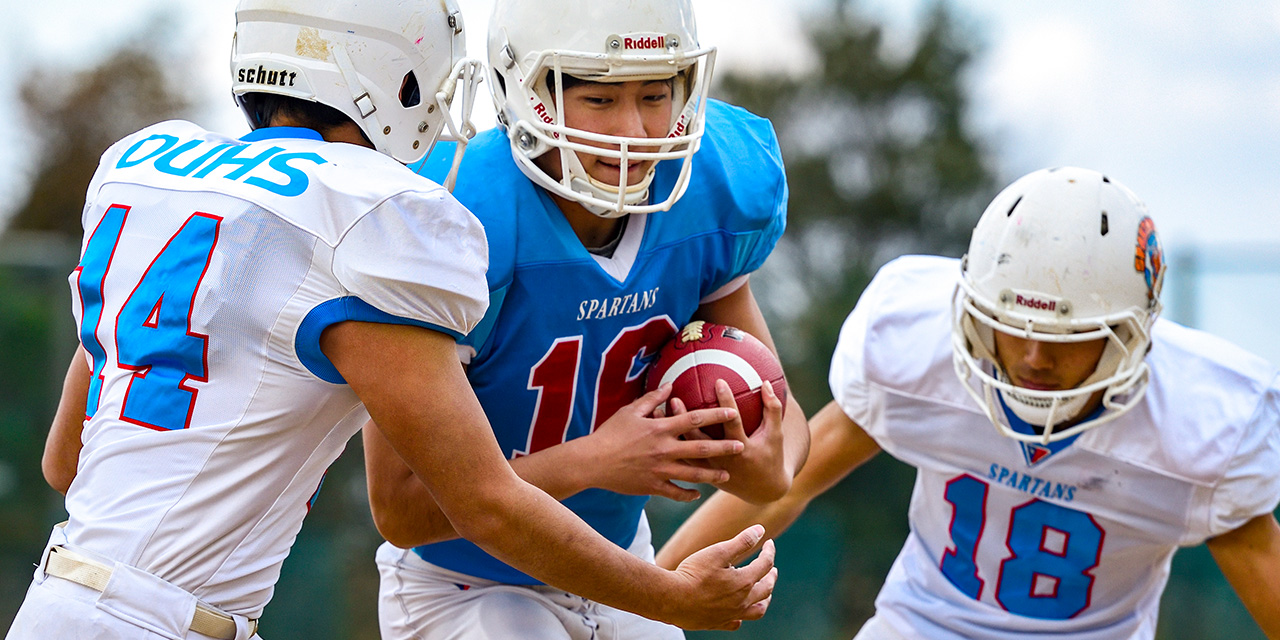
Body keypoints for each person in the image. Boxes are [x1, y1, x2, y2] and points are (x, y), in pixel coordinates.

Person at [6, 2, 780, 639]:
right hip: (164, 623)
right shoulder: (373, 213)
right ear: (393, 74)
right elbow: (477, 503)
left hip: (62, 592)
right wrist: (670, 598)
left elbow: (66, 461)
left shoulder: (149, 166)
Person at [656, 167, 1280, 638]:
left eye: (1064, 337)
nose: (1033, 358)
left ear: (1129, 335)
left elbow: (1259, 565)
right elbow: (787, 484)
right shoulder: (918, 346)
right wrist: (647, 592)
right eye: (1012, 326)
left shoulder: (1205, 424)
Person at [361, 0, 811, 638]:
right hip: (467, 585)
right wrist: (595, 460)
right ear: (527, 90)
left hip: (622, 563)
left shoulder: (709, 188)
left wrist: (770, 463)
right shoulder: (453, 216)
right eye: (599, 99)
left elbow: (784, 425)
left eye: (655, 93)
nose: (635, 130)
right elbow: (402, 507)